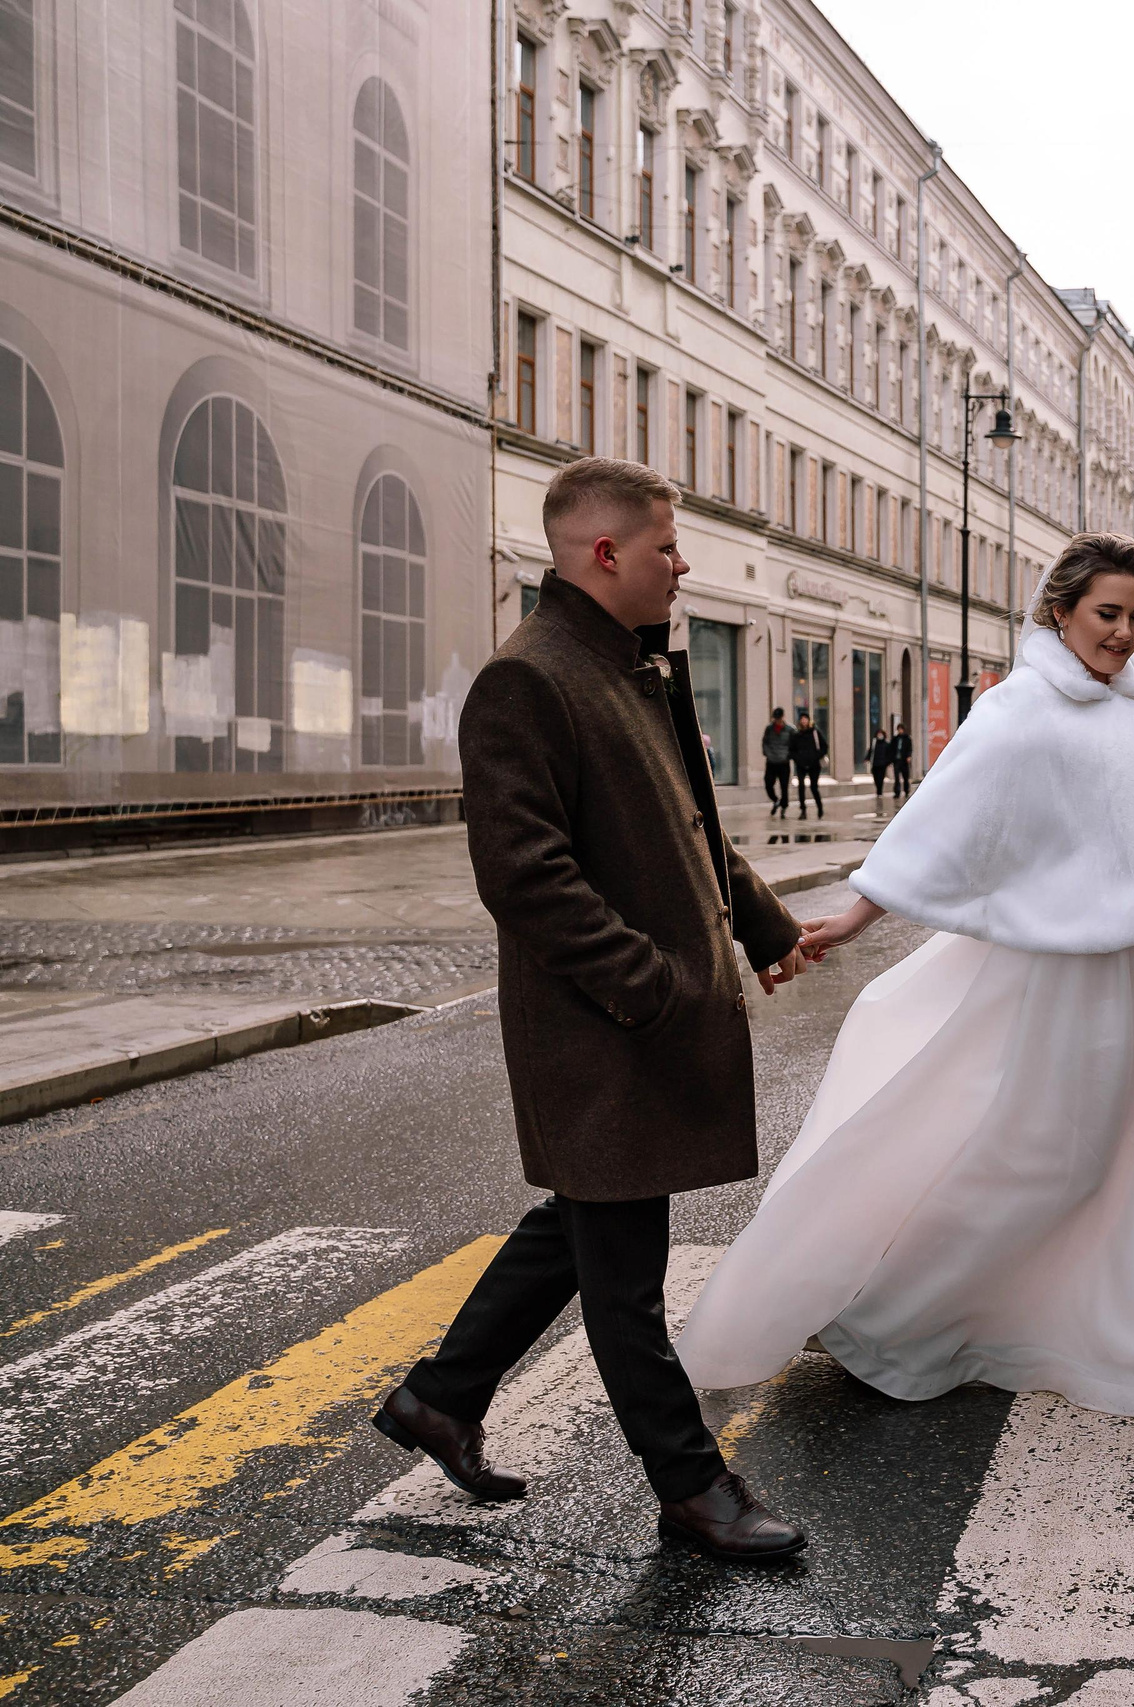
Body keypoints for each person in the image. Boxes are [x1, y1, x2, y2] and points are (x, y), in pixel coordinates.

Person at [676, 531, 1134, 1420]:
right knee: (1046, 1159)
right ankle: (895, 1312)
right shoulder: (1018, 711)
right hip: (1067, 973)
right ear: (1060, 610)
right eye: (1107, 613)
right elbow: (945, 823)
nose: (1124, 633)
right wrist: (855, 914)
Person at [372, 456, 811, 1564]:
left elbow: (692, 828)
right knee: (624, 1279)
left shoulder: (630, 664)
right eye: (666, 545)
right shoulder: (529, 678)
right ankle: (693, 1489)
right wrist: (650, 983)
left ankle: (441, 1399)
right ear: (606, 553)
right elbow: (525, 876)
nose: (683, 563)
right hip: (600, 1027)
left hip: (632, 1021)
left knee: (581, 1224)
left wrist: (763, 926)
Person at [790, 711, 828, 819]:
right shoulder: (797, 735)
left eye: (805, 719)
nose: (804, 721)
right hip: (801, 765)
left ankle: (819, 807)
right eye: (802, 719)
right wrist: (797, 759)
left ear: (808, 720)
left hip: (814, 765)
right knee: (801, 786)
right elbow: (792, 750)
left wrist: (816, 756)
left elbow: (824, 747)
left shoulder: (815, 732)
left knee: (813, 787)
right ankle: (803, 810)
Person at [760, 709, 793, 818]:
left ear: (783, 717)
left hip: (784, 762)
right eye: (776, 719)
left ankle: (784, 807)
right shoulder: (769, 729)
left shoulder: (790, 729)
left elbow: (794, 745)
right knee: (768, 784)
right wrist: (768, 754)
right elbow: (765, 742)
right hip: (771, 762)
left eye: (779, 718)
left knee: (784, 786)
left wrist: (788, 755)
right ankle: (775, 800)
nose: (777, 721)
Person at [867, 723, 891, 809]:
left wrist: (887, 762)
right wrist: (867, 758)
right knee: (876, 778)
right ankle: (878, 789)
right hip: (875, 763)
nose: (879, 735)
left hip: (882, 764)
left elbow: (889, 754)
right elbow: (870, 751)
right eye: (878, 734)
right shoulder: (874, 743)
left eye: (881, 734)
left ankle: (879, 792)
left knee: (881, 778)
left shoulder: (886, 744)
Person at [890, 718, 913, 799]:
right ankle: (897, 792)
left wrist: (909, 756)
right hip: (897, 760)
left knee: (905, 776)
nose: (900, 731)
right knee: (897, 777)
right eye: (899, 729)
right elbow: (891, 749)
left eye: (901, 729)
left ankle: (906, 790)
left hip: (904, 760)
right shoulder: (895, 739)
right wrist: (892, 758)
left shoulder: (907, 739)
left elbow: (909, 749)